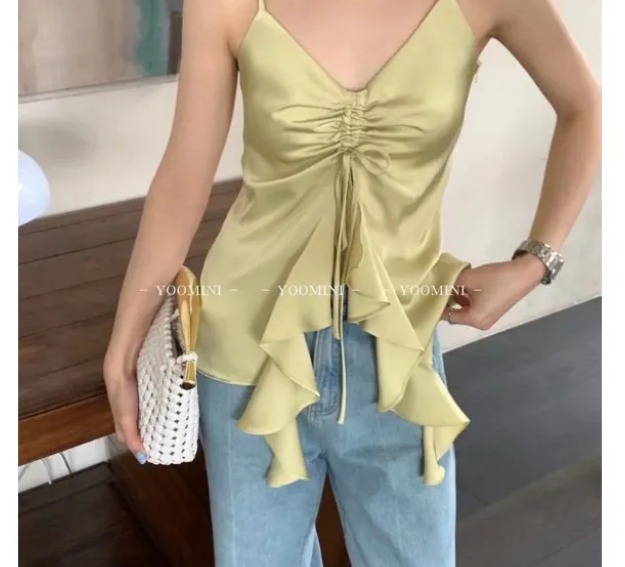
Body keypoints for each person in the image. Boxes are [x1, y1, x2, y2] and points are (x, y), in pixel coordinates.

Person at [104, 1, 601, 565]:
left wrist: (536, 261)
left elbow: (584, 105)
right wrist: (124, 346)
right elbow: (184, 174)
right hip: (246, 352)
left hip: (397, 358)